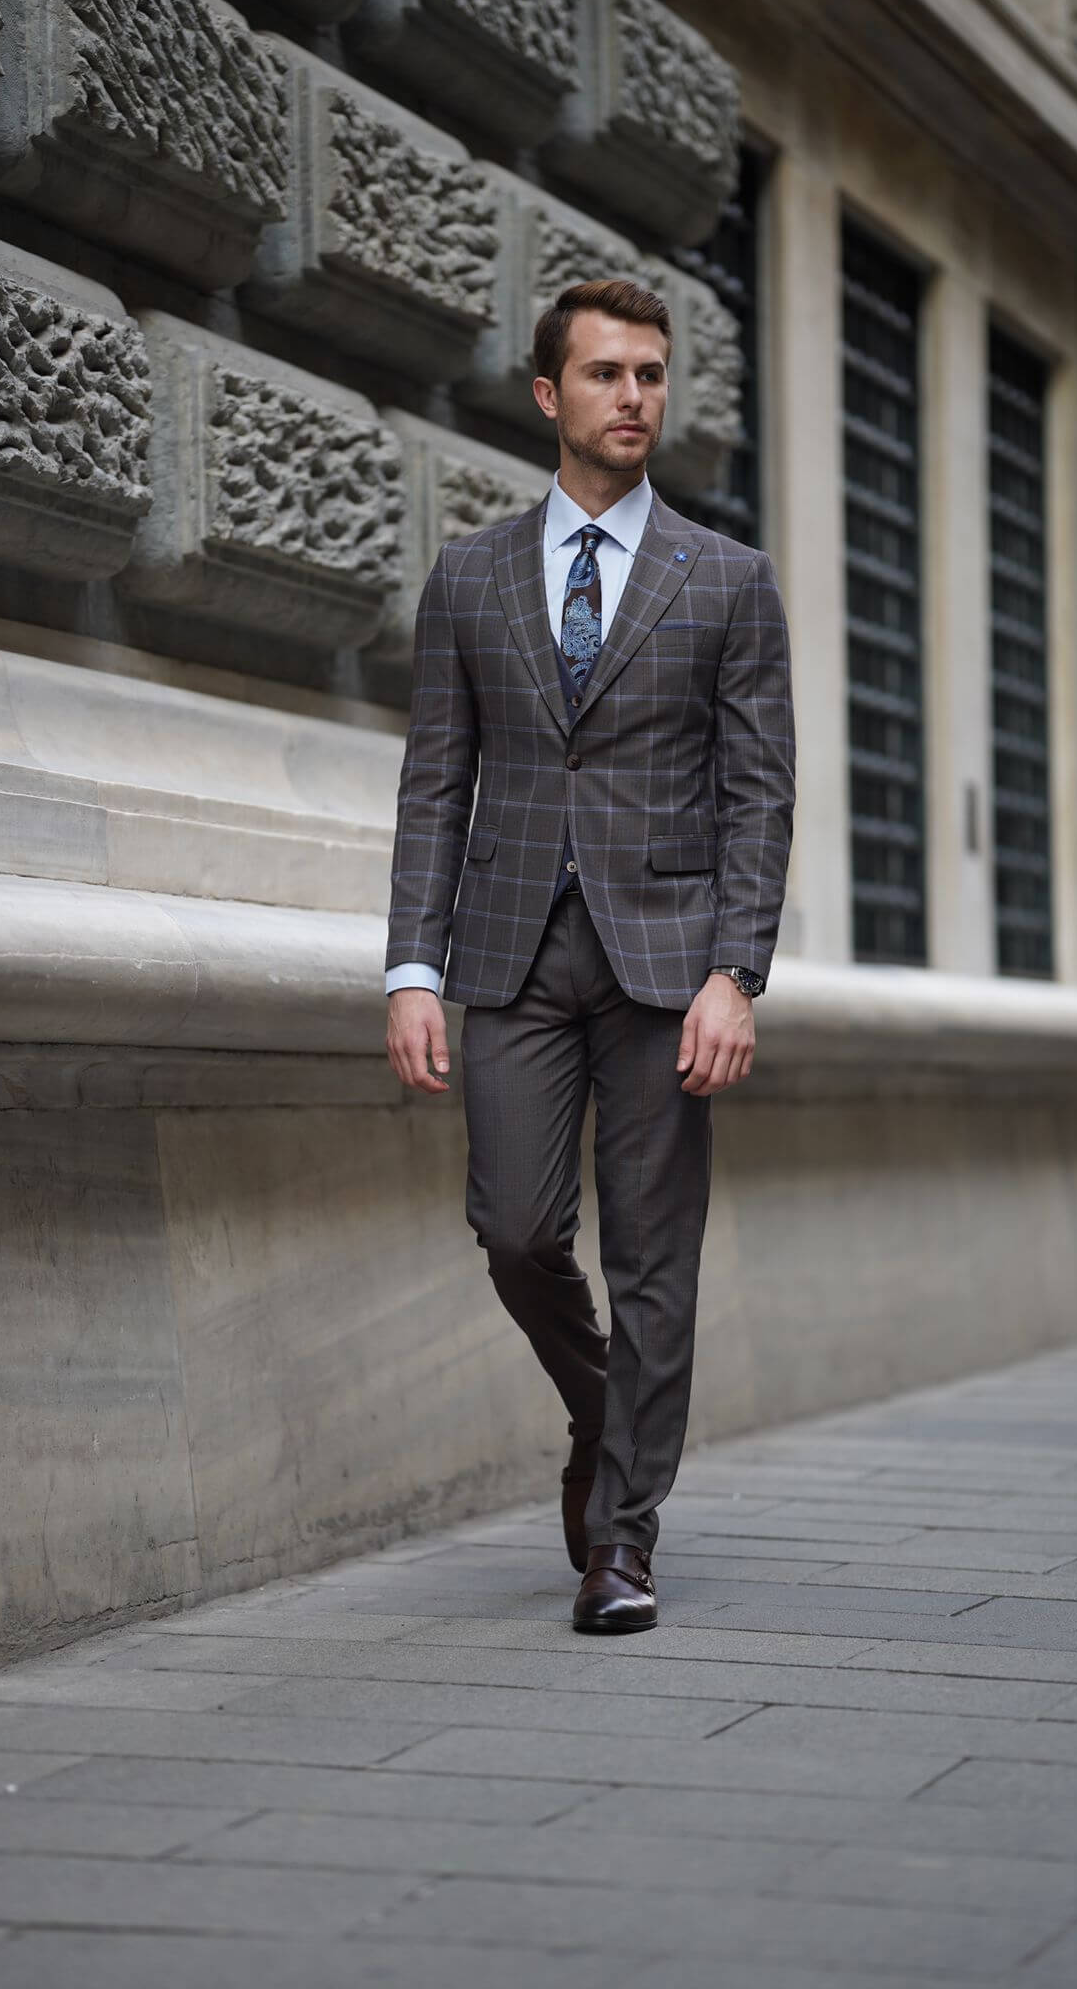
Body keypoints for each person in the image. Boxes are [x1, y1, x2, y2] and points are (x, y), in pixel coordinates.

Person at [384, 277, 796, 1633]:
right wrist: (411, 970)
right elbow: (435, 785)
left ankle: (621, 1542)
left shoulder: (728, 579)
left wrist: (740, 971)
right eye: (608, 374)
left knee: (656, 1262)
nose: (635, 397)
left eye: (653, 375)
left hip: (669, 966)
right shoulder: (472, 576)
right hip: (508, 956)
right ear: (550, 394)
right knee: (513, 1230)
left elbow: (759, 792)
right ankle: (602, 1407)